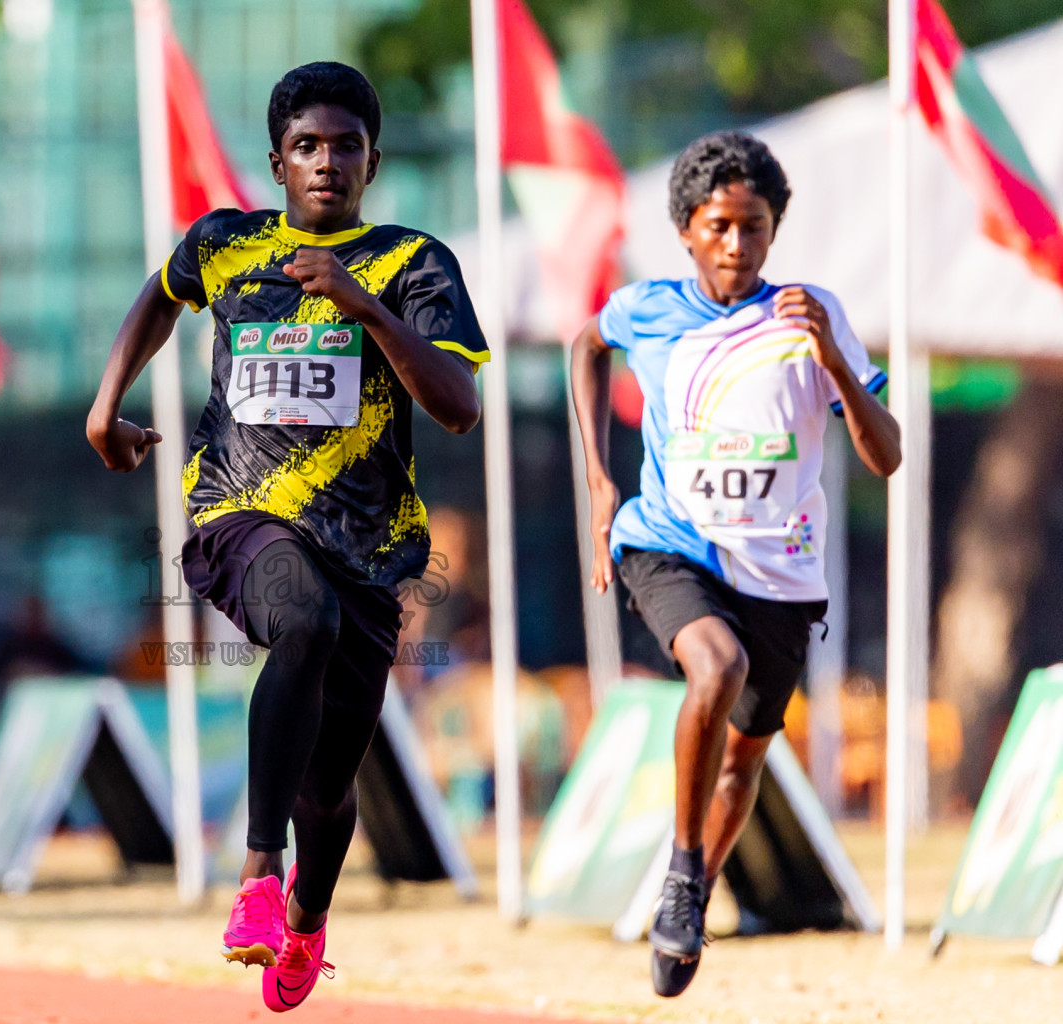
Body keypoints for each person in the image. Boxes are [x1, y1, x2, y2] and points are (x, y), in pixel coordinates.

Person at [87, 62, 487, 1013]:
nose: (326, 162)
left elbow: (458, 406)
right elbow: (160, 294)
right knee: (300, 618)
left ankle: (306, 915)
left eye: (347, 146)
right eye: (307, 146)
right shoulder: (227, 244)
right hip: (240, 512)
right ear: (277, 162)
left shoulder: (413, 263)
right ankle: (259, 873)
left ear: (373, 163)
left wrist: (364, 306)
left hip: (367, 544)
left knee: (330, 780)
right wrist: (107, 405)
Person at [568, 131, 901, 998]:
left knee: (743, 761)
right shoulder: (650, 309)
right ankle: (684, 875)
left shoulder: (810, 315)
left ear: (773, 229)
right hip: (669, 541)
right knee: (716, 666)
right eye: (718, 226)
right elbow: (586, 346)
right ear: (686, 228)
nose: (736, 244)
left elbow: (887, 455)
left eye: (754, 226)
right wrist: (600, 481)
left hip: (780, 572)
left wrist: (834, 360)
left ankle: (700, 879)